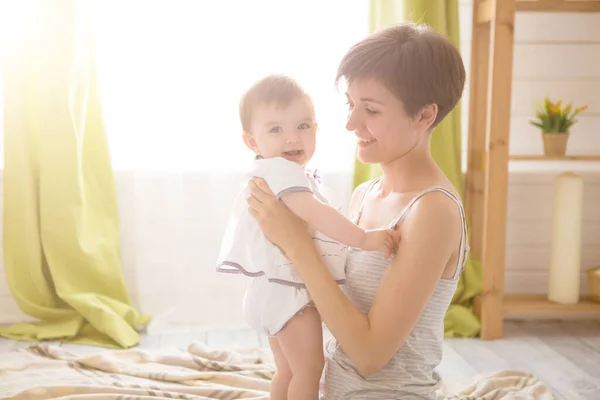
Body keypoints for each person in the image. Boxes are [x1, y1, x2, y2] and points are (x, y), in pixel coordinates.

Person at [246, 22, 469, 399]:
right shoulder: (365, 194)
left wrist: (295, 243)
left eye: (371, 110)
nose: (350, 123)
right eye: (350, 104)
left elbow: (368, 355)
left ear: (425, 116)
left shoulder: (433, 211)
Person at [215, 74, 400, 400]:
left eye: (303, 126)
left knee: (288, 370)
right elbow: (316, 213)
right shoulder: (281, 172)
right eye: (276, 129)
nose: (292, 138)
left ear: (316, 128)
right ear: (252, 142)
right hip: (290, 296)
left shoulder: (271, 171)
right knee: (309, 368)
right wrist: (364, 239)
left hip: (271, 291)